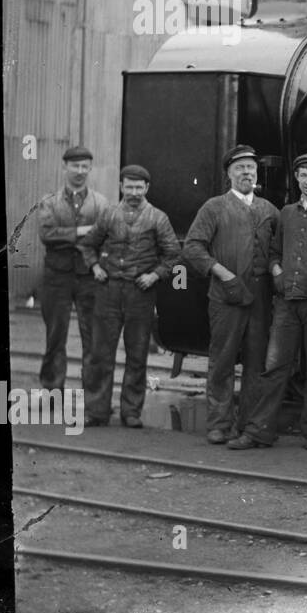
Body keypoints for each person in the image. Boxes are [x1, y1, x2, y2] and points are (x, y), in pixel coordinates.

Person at [230, 153, 307, 452]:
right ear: (296, 178)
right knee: (274, 367)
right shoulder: (286, 213)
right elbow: (274, 251)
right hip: (287, 302)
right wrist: (276, 270)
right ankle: (259, 431)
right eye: (303, 175)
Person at [182, 144, 278, 444]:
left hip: (260, 298)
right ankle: (218, 423)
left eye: (251, 167)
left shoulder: (269, 210)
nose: (247, 172)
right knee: (222, 360)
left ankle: (248, 425)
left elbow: (280, 249)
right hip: (225, 297)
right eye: (240, 168)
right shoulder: (214, 207)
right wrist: (222, 273)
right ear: (229, 174)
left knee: (256, 363)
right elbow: (192, 247)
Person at [78, 165, 180, 427]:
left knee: (137, 355)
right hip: (108, 291)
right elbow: (88, 244)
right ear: (121, 186)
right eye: (129, 186)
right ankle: (97, 411)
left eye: (139, 187)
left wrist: (154, 275)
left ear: (147, 188)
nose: (133, 192)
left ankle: (131, 412)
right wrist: (95, 267)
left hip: (140, 293)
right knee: (101, 353)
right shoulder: (109, 214)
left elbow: (173, 255)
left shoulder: (158, 218)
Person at [36, 146, 110, 393]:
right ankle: (51, 391)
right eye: (75, 166)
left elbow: (105, 236)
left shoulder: (100, 203)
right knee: (55, 336)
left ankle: (94, 396)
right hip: (57, 276)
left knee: (93, 337)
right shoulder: (49, 202)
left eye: (84, 166)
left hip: (89, 277)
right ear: (64, 167)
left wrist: (67, 236)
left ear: (90, 169)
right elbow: (47, 234)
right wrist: (81, 232)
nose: (80, 171)